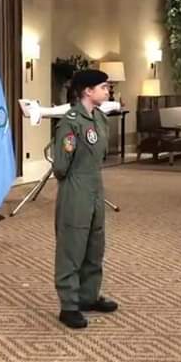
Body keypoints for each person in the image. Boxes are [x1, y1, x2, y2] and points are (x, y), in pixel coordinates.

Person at [52, 69, 118, 329]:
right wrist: (75, 182)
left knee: (94, 243)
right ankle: (69, 306)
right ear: (88, 91)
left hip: (95, 186)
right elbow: (60, 165)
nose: (108, 91)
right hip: (76, 187)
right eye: (103, 87)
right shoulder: (70, 122)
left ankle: (88, 296)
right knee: (72, 246)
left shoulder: (100, 118)